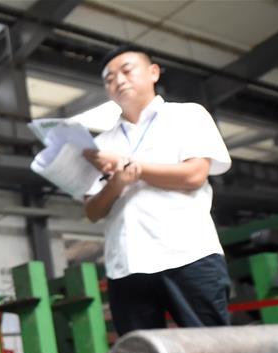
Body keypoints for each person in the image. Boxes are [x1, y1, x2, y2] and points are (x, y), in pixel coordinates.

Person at [81, 45, 232, 336]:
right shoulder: (101, 144)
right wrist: (119, 181)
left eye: (126, 70)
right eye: (109, 78)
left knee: (213, 350)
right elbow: (92, 210)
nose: (119, 81)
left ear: (153, 72)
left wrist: (129, 165)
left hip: (188, 254)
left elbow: (195, 175)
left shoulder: (187, 116)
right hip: (126, 265)